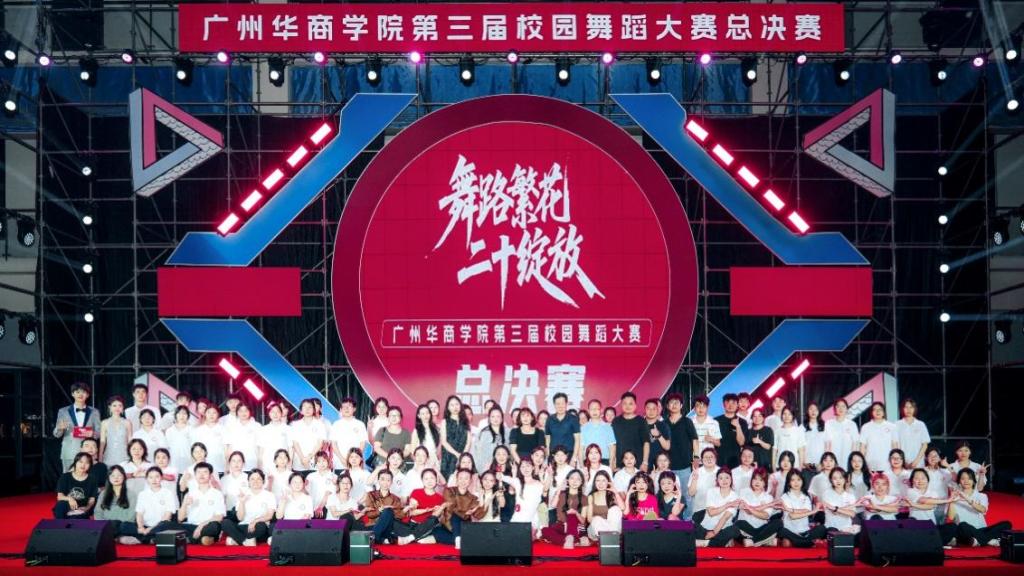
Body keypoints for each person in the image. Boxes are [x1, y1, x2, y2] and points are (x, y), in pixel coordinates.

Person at [946, 468, 1011, 547]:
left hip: (981, 529)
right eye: (963, 478)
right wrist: (952, 500)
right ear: (959, 481)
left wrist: (968, 499)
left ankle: (978, 540)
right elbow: (951, 517)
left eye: (969, 478)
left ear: (974, 481)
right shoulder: (955, 496)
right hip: (965, 530)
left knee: (1006, 524)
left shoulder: (981, 496)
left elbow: (983, 509)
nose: (966, 481)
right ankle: (987, 540)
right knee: (962, 525)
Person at [663, 393, 698, 518]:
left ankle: (688, 520)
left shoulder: (687, 421)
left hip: (684, 466)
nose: (674, 405)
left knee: (687, 495)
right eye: (671, 403)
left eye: (676, 402)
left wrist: (696, 460)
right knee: (668, 496)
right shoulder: (664, 423)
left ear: (681, 405)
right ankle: (670, 520)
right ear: (667, 406)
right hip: (668, 467)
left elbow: (695, 441)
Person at [54, 382, 101, 472]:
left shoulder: (95, 412)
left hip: (89, 452)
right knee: (68, 477)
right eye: (77, 392)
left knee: (89, 477)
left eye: (83, 392)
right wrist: (60, 428)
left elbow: (99, 432)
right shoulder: (63, 411)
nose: (80, 394)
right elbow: (56, 434)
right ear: (73, 394)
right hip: (69, 452)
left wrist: (93, 434)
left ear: (88, 395)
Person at [222, 469, 276, 546]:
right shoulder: (243, 494)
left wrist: (255, 521)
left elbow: (269, 515)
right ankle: (246, 541)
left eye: (258, 479)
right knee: (225, 523)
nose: (255, 481)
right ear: (248, 481)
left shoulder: (269, 495)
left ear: (263, 481)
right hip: (244, 526)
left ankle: (237, 540)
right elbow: (240, 518)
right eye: (252, 479)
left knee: (261, 527)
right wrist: (242, 502)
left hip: (259, 527)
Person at [906, 468, 958, 545]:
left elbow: (931, 506)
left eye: (923, 478)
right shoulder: (910, 491)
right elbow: (923, 500)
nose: (920, 481)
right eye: (916, 478)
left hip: (931, 526)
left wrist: (913, 504)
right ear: (912, 480)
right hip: (916, 526)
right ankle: (933, 542)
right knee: (909, 524)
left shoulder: (933, 493)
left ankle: (930, 542)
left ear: (927, 480)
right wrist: (947, 500)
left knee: (952, 526)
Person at [436, 468, 486, 548]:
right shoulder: (449, 490)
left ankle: (458, 539)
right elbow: (451, 507)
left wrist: (481, 501)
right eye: (461, 478)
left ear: (470, 481)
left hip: (463, 526)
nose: (463, 481)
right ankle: (459, 539)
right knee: (452, 517)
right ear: (457, 479)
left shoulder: (473, 497)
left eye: (466, 478)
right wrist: (466, 513)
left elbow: (479, 515)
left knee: (439, 534)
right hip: (448, 524)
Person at [178, 462, 225, 545]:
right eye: (199, 472)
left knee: (215, 526)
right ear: (195, 476)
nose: (201, 475)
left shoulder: (217, 494)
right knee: (170, 525)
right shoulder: (189, 494)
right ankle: (204, 539)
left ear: (210, 476)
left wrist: (201, 526)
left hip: (207, 525)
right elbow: (180, 518)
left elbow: (219, 517)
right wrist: (185, 504)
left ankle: (190, 539)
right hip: (192, 526)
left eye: (205, 472)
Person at [395, 469, 446, 544]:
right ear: (422, 481)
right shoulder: (416, 492)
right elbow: (412, 512)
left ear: (436, 480)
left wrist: (440, 513)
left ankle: (411, 538)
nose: (429, 481)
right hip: (412, 525)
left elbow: (440, 519)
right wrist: (427, 510)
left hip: (428, 528)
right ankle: (418, 537)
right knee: (393, 521)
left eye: (432, 478)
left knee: (433, 520)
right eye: (426, 479)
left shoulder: (440, 498)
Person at [776, 470, 826, 547]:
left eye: (798, 479)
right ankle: (806, 542)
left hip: (804, 531)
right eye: (793, 480)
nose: (796, 482)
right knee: (784, 539)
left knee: (822, 528)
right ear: (789, 482)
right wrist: (813, 511)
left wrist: (791, 510)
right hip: (790, 531)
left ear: (802, 481)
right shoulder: (785, 497)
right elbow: (792, 516)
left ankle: (800, 542)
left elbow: (806, 510)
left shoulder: (806, 497)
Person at [541, 469, 588, 548]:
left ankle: (570, 537)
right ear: (567, 480)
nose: (574, 481)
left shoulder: (584, 498)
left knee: (572, 515)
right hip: (561, 525)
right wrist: (559, 489)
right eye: (572, 478)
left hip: (576, 527)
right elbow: (553, 505)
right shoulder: (561, 494)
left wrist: (576, 513)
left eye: (578, 479)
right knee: (544, 530)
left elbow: (583, 521)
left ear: (581, 482)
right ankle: (575, 540)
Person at [694, 468, 740, 547]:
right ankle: (720, 542)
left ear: (731, 479)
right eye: (721, 478)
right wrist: (727, 505)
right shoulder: (711, 491)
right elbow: (711, 513)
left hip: (722, 529)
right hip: (706, 528)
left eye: (727, 477)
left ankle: (706, 543)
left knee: (735, 531)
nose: (724, 480)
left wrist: (714, 532)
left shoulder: (735, 496)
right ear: (717, 480)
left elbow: (725, 517)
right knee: (688, 526)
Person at [735, 467, 780, 547]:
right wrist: (765, 506)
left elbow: (765, 516)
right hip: (746, 527)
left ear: (765, 483)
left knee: (778, 523)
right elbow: (748, 511)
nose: (757, 482)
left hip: (762, 527)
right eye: (755, 479)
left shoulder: (768, 497)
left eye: (761, 480)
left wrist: (750, 507)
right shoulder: (743, 492)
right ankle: (765, 540)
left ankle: (753, 541)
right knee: (738, 523)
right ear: (751, 480)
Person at [95, 465, 140, 543]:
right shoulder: (103, 494)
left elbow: (132, 515)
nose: (116, 478)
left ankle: (115, 538)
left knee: (127, 526)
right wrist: (103, 524)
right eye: (113, 475)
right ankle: (119, 538)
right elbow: (98, 512)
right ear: (109, 478)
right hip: (107, 525)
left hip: (124, 525)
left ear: (124, 477)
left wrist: (118, 523)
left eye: (119, 475)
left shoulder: (131, 494)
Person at [362, 469, 409, 544]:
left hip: (388, 527)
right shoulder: (371, 495)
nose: (385, 483)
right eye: (382, 479)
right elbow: (369, 514)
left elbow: (398, 516)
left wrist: (405, 509)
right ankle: (381, 538)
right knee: (386, 511)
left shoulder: (395, 498)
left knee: (388, 511)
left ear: (391, 482)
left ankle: (375, 538)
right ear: (378, 480)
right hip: (374, 525)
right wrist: (379, 510)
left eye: (388, 480)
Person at [134, 466, 179, 543]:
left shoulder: (168, 493)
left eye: (157, 477)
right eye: (151, 477)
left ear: (161, 478)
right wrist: (141, 527)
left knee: (168, 525)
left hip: (161, 526)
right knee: (125, 526)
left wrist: (151, 529)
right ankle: (150, 538)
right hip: (145, 526)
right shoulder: (142, 494)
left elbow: (167, 516)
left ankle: (145, 538)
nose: (154, 480)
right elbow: (139, 514)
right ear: (147, 479)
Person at [612, 392, 649, 471]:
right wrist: (613, 461)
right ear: (621, 405)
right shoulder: (615, 421)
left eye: (630, 404)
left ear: (635, 405)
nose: (627, 406)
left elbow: (646, 442)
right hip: (619, 464)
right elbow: (613, 443)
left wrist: (645, 462)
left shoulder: (641, 421)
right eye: (625, 403)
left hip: (637, 463)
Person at [54, 452, 98, 518]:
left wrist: (87, 508)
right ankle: (60, 524)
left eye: (87, 463)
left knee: (77, 519)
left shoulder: (92, 479)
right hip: (67, 505)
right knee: (61, 505)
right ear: (75, 462)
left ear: (90, 465)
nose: (83, 465)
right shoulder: (65, 477)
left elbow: (92, 499)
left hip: (82, 507)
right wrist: (70, 499)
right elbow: (59, 496)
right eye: (80, 462)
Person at [509, 459, 548, 531]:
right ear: (520, 469)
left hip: (532, 520)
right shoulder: (518, 481)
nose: (525, 469)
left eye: (528, 466)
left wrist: (542, 478)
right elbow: (511, 491)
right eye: (523, 467)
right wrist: (514, 474)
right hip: (517, 519)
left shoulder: (538, 484)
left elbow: (545, 494)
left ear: (533, 467)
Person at [331, 397, 368, 471]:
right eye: (344, 407)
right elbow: (333, 444)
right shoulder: (336, 424)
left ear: (354, 409)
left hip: (356, 463)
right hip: (340, 462)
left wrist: (356, 458)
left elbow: (363, 443)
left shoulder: (360, 424)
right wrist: (342, 459)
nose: (346, 409)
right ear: (340, 410)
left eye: (349, 406)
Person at [439, 395, 472, 479]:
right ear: (448, 408)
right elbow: (444, 442)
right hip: (448, 456)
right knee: (449, 480)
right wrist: (457, 454)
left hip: (462, 458)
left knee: (463, 479)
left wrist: (462, 456)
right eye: (452, 405)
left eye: (457, 404)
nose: (455, 407)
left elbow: (468, 442)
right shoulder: (445, 422)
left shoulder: (465, 422)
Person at [859, 402, 897, 472]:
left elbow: (894, 446)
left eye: (880, 409)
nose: (877, 411)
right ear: (871, 412)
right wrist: (862, 463)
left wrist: (894, 462)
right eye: (875, 409)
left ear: (884, 412)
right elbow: (862, 448)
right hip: (870, 465)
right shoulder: (865, 427)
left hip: (888, 465)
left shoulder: (892, 426)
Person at [546, 393, 582, 466]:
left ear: (566, 404)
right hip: (554, 456)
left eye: (562, 403)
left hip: (569, 455)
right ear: (554, 405)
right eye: (558, 404)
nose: (560, 406)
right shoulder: (550, 419)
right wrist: (548, 456)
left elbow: (577, 440)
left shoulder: (573, 419)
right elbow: (548, 439)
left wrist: (574, 457)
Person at [821, 467, 860, 536]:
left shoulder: (850, 496)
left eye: (841, 478)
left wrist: (835, 508)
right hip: (831, 528)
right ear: (831, 480)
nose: (838, 481)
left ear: (845, 479)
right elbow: (834, 512)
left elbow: (852, 514)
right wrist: (850, 507)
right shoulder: (826, 494)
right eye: (835, 478)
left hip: (847, 529)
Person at [586, 470, 623, 540]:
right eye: (598, 481)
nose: (600, 484)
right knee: (596, 519)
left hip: (612, 528)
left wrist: (615, 492)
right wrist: (603, 522)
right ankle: (611, 539)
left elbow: (622, 509)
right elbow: (589, 519)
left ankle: (610, 539)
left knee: (615, 509)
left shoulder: (612, 495)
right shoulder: (591, 496)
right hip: (596, 528)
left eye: (603, 481)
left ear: (608, 482)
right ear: (594, 482)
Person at [715, 394, 748, 469]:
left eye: (733, 403)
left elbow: (741, 443)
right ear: (723, 405)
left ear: (737, 405)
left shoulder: (742, 422)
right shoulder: (715, 421)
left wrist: (738, 426)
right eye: (727, 402)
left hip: (736, 460)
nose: (730, 405)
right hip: (719, 460)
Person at [290, 399, 325, 471]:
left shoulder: (320, 424)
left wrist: (309, 457)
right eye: (305, 407)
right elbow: (295, 443)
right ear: (301, 410)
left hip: (315, 460)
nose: (307, 409)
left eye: (310, 407)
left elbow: (320, 443)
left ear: (314, 410)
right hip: (299, 461)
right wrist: (302, 458)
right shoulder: (295, 425)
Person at [225, 403, 261, 470]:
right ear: (237, 412)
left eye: (246, 410)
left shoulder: (257, 426)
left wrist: (259, 465)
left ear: (250, 411)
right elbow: (229, 448)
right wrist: (227, 466)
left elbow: (260, 448)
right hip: (235, 464)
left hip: (252, 462)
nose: (243, 413)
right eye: (240, 411)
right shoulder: (231, 426)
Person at [192, 405, 227, 474]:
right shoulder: (198, 430)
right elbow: (194, 449)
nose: (211, 415)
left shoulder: (223, 429)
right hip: (203, 467)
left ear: (218, 414)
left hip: (220, 466)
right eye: (209, 412)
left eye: (214, 412)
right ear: (205, 414)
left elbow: (227, 449)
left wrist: (227, 465)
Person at [896, 399, 930, 468]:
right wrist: (903, 461)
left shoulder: (920, 424)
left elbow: (925, 445)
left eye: (911, 407)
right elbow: (896, 444)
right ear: (902, 409)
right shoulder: (897, 424)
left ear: (914, 409)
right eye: (906, 407)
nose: (908, 410)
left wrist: (916, 461)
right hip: (902, 463)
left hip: (918, 463)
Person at [824, 399, 859, 466]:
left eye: (843, 406)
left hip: (848, 458)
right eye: (838, 406)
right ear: (834, 409)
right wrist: (828, 459)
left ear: (846, 409)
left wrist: (853, 459)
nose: (841, 408)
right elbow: (827, 443)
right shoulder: (829, 423)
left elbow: (855, 443)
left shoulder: (852, 424)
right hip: (833, 459)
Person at [581, 399, 616, 466]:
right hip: (588, 462)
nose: (594, 411)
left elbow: (612, 448)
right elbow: (581, 449)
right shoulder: (583, 428)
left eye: (597, 408)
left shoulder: (608, 427)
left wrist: (611, 465)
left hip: (604, 461)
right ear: (588, 411)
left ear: (601, 410)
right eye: (592, 409)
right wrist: (582, 466)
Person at [100, 396, 132, 468]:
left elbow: (130, 441)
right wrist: (100, 457)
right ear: (109, 407)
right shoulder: (104, 423)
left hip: (124, 456)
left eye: (120, 405)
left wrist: (132, 457)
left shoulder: (127, 423)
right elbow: (102, 442)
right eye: (114, 405)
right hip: (109, 456)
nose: (117, 408)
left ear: (123, 407)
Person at [923, 447, 954, 522]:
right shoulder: (922, 471)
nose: (933, 458)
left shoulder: (945, 471)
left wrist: (948, 465)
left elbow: (956, 479)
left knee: (941, 526)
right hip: (927, 504)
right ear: (926, 458)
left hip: (942, 504)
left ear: (939, 458)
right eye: (930, 456)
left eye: (935, 456)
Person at [258, 402, 291, 471]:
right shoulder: (263, 429)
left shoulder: (288, 429)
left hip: (283, 464)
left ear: (281, 413)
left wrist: (289, 465)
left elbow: (290, 448)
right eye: (272, 412)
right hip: (267, 464)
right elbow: (261, 450)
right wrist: (259, 465)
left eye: (277, 412)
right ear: (269, 414)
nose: (275, 414)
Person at [688, 448, 720, 516]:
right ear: (701, 460)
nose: (709, 459)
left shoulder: (721, 472)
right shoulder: (696, 472)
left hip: (717, 510)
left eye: (711, 457)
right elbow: (691, 493)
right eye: (706, 457)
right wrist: (695, 479)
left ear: (716, 459)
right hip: (699, 510)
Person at [641, 398, 671, 471]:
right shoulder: (639, 425)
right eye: (648, 408)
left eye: (654, 409)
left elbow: (667, 447)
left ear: (658, 410)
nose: (651, 411)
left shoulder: (663, 426)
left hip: (659, 466)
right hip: (642, 465)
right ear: (644, 410)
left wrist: (658, 435)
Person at [474, 406, 507, 471]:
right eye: (493, 416)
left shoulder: (507, 432)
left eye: (498, 416)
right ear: (489, 418)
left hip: (505, 468)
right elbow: (477, 452)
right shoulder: (482, 433)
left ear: (502, 419)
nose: (495, 419)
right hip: (486, 468)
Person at [221, 451, 250, 519]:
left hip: (246, 511)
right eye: (233, 461)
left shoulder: (249, 478)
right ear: (229, 463)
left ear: (243, 463)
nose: (236, 463)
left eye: (239, 461)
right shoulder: (224, 479)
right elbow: (222, 499)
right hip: (229, 512)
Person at [165, 406, 193, 473]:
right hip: (173, 463)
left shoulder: (192, 430)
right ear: (175, 415)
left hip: (188, 462)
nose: (182, 416)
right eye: (179, 413)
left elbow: (194, 448)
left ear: (188, 416)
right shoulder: (169, 431)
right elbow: (167, 448)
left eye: (184, 413)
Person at [803, 403, 828, 475]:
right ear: (807, 411)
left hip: (821, 464)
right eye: (811, 409)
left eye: (816, 409)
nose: (813, 411)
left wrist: (824, 462)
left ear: (819, 411)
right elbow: (801, 447)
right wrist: (804, 462)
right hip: (807, 464)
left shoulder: (824, 426)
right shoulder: (803, 427)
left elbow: (827, 446)